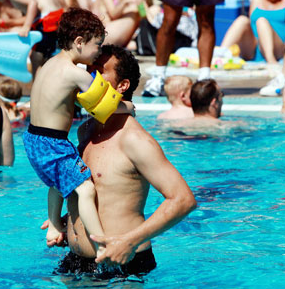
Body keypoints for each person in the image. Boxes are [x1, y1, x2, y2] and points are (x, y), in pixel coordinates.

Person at [45, 44, 196, 277]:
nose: (89, 76)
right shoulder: (85, 132)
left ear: (122, 85)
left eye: (99, 70)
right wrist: (68, 221)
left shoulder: (134, 140)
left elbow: (183, 200)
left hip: (123, 266)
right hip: (76, 261)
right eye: (89, 68)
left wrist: (130, 241)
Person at [23, 8, 133, 259]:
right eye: (97, 45)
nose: (98, 52)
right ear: (79, 42)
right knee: (85, 189)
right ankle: (101, 246)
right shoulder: (74, 73)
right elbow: (104, 107)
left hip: (33, 139)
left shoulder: (49, 64)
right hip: (52, 142)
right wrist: (129, 106)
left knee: (58, 181)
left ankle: (53, 224)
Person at [220, 0, 285, 64]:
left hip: (278, 47)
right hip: (254, 48)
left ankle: (271, 62)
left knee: (261, 21)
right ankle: (219, 55)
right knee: (242, 20)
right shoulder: (256, 0)